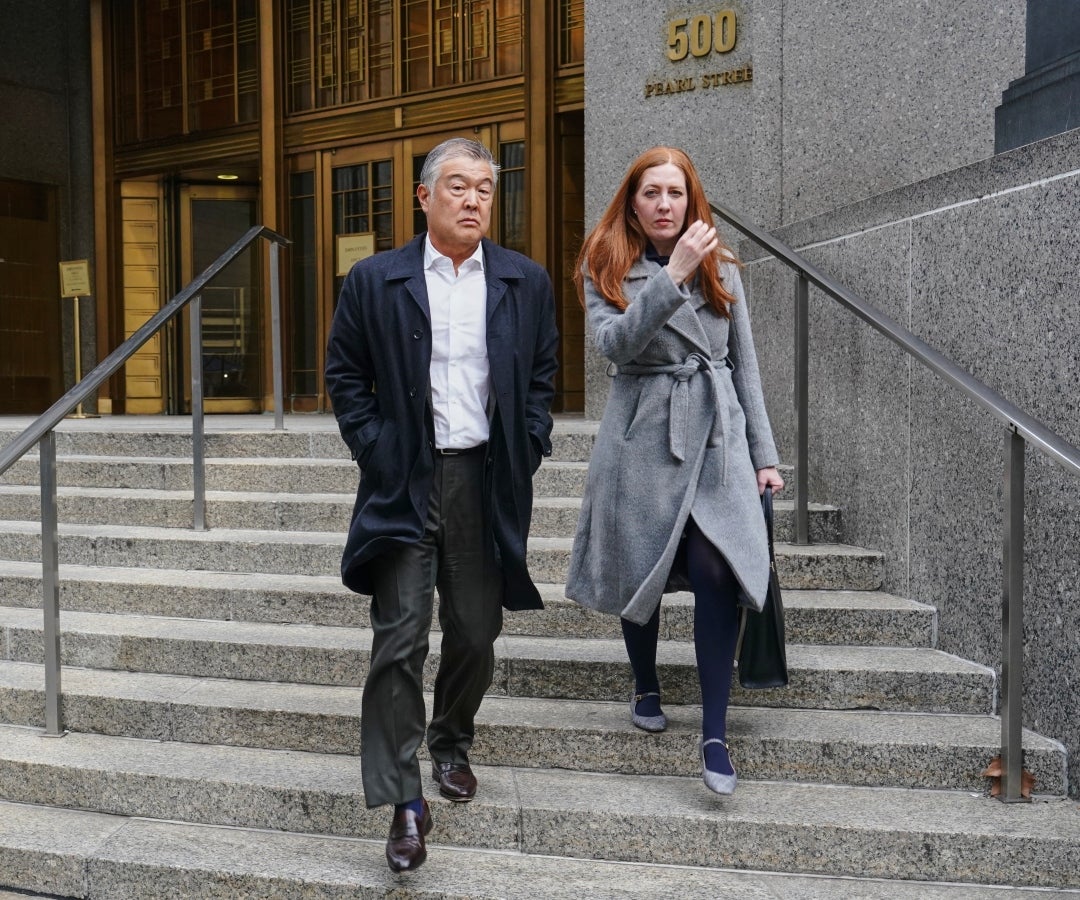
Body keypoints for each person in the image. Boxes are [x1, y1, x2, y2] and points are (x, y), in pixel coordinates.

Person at [325, 137, 558, 872]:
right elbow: (344, 374)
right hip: (404, 481)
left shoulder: (524, 281)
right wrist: (378, 449)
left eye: (485, 188)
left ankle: (451, 739)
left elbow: (542, 373)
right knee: (399, 639)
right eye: (458, 186)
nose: (473, 200)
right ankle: (403, 801)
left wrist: (529, 441)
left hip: (484, 480)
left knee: (476, 630)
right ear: (424, 197)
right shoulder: (375, 280)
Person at [565, 146, 784, 796]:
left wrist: (764, 457)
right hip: (641, 435)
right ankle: (645, 681)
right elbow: (614, 346)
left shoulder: (723, 264)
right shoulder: (604, 263)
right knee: (644, 563)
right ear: (632, 203)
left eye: (675, 192)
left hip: (715, 435)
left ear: (691, 200)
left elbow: (744, 364)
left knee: (718, 568)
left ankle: (714, 734)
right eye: (651, 193)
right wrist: (672, 276)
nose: (664, 204)